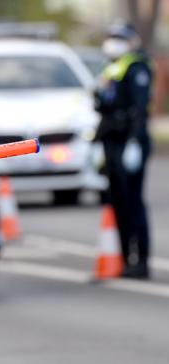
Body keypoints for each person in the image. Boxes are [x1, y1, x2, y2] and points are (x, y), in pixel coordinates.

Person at [94, 22, 153, 279]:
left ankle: (141, 260)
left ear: (132, 41)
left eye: (119, 38)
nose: (113, 42)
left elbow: (140, 110)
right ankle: (123, 258)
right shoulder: (111, 68)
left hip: (130, 142)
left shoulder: (137, 66)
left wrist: (134, 142)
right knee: (116, 201)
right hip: (111, 142)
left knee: (133, 201)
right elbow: (104, 107)